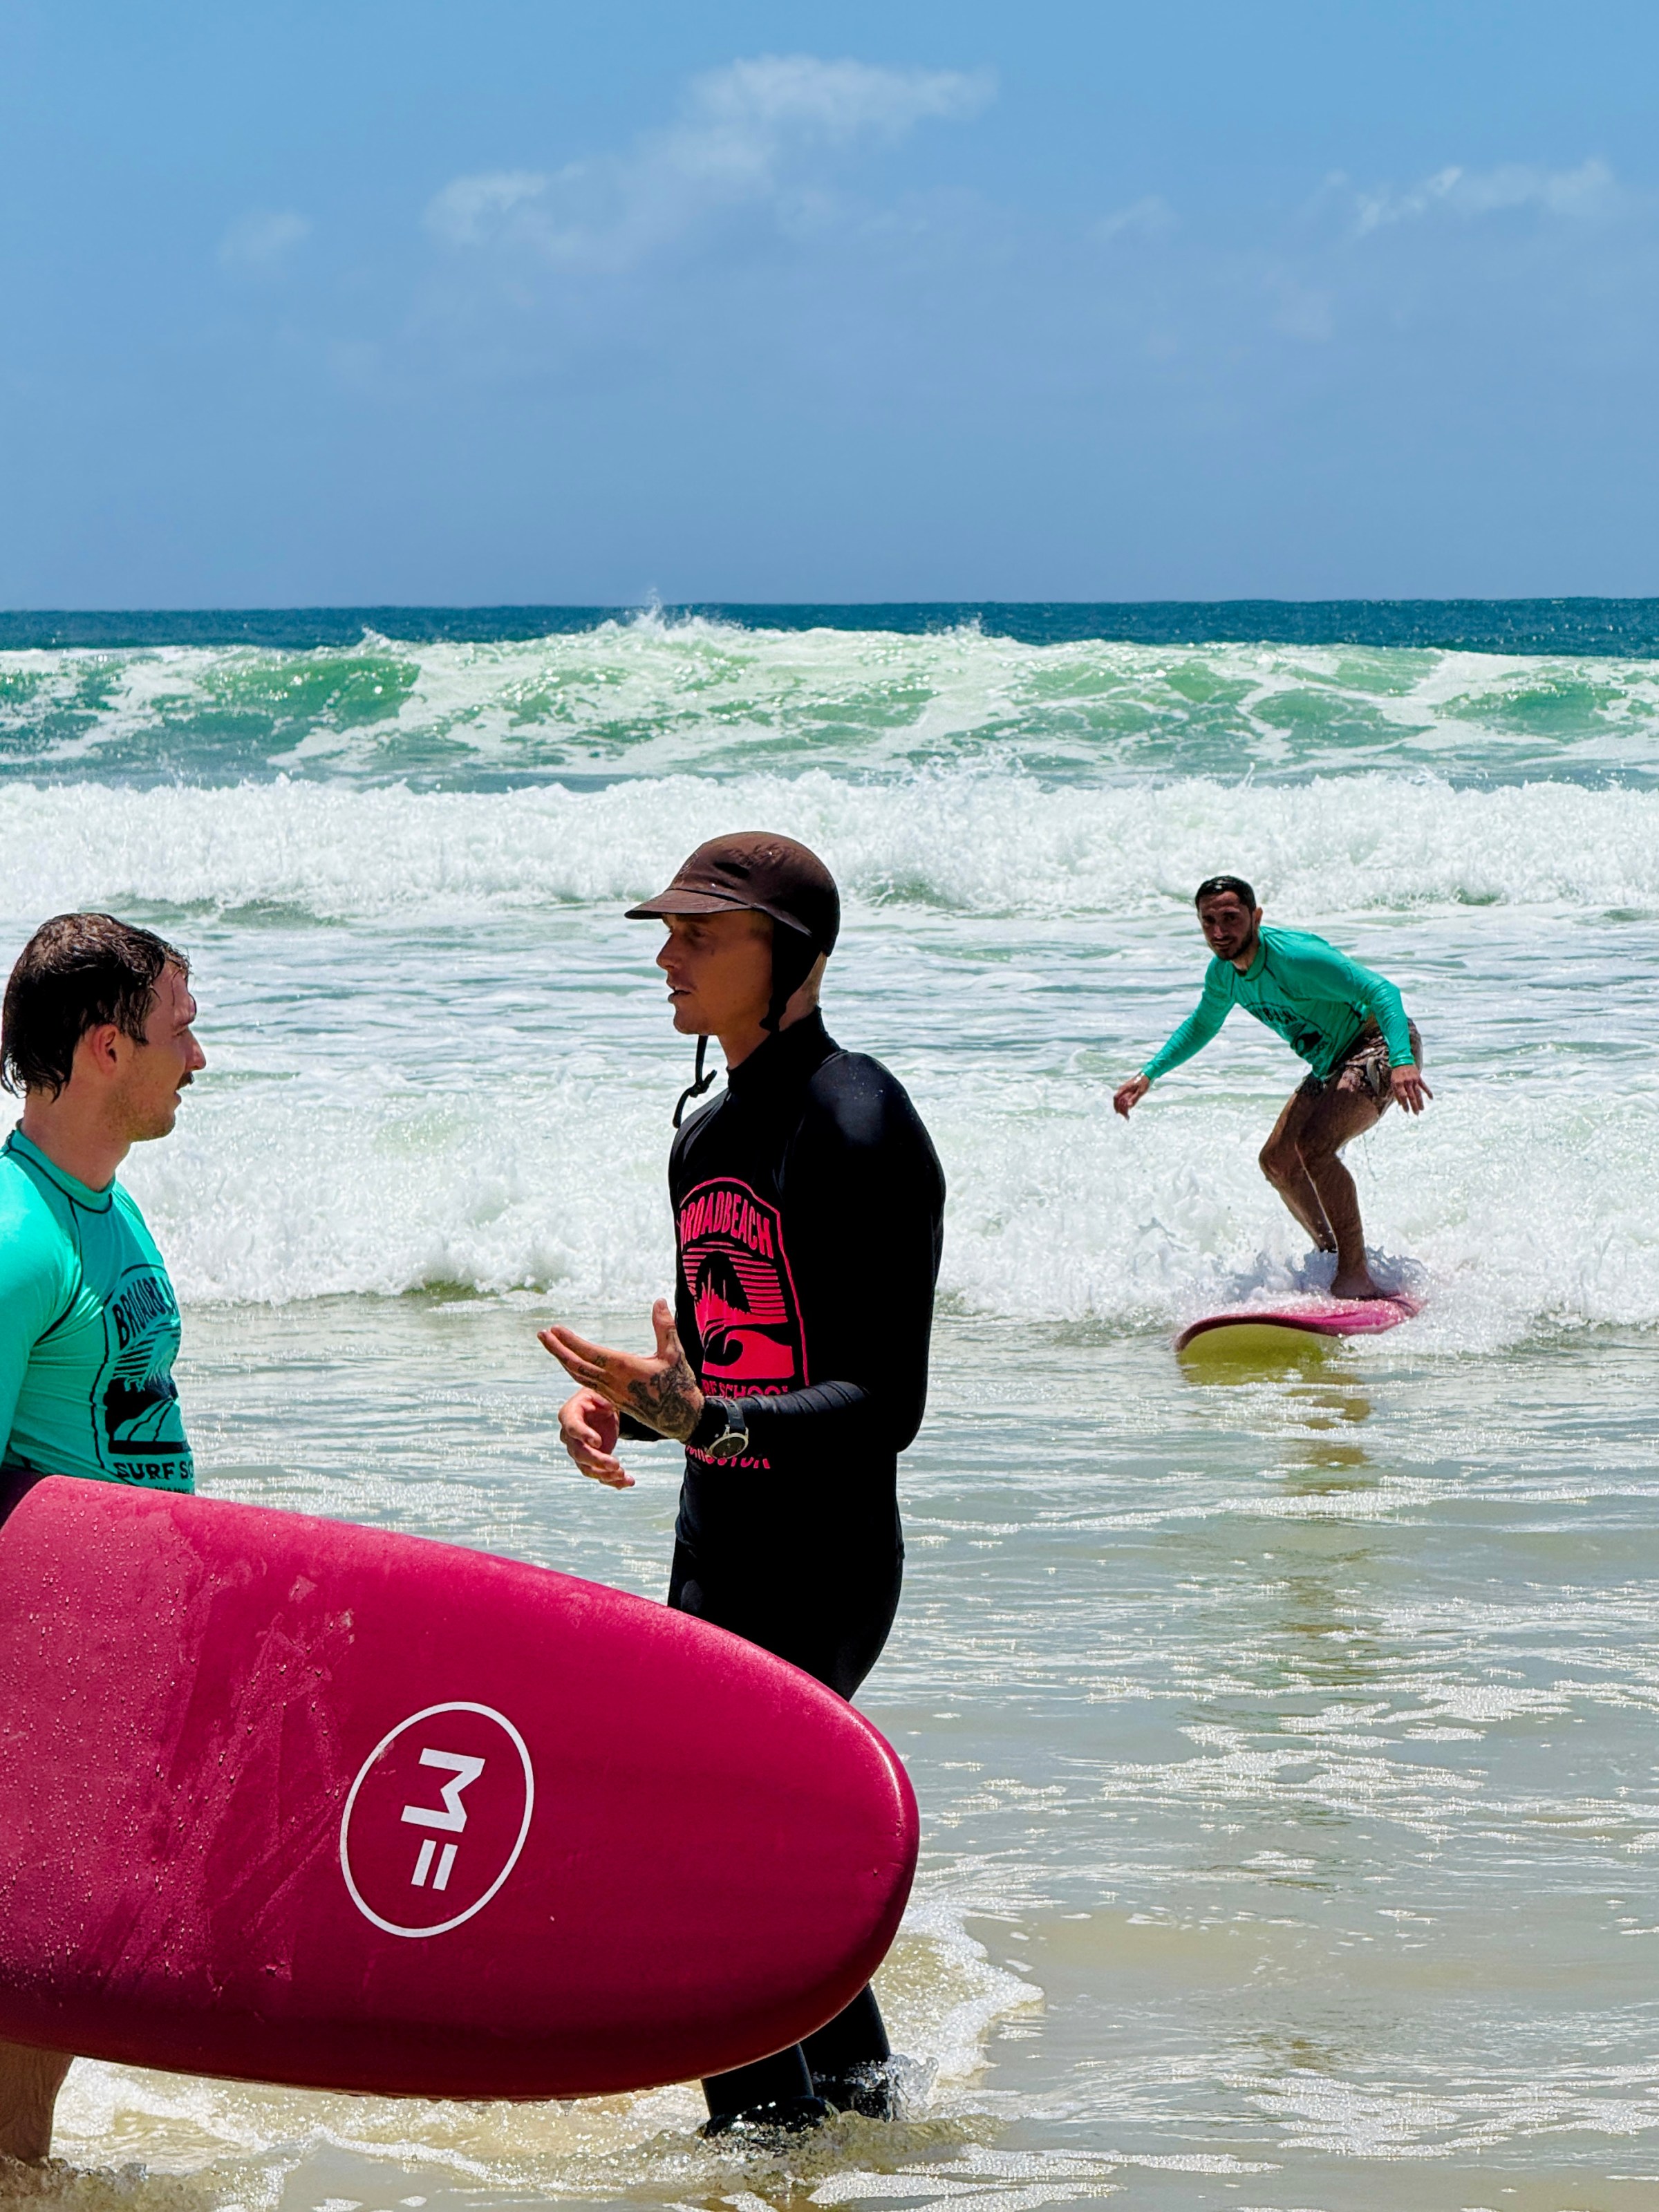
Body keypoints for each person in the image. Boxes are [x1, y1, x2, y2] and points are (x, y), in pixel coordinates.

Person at [539, 832, 945, 2137]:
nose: (668, 956)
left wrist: (702, 1413)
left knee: (703, 1880)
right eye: (670, 932)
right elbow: (730, 1376)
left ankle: (764, 2146)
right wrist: (639, 1411)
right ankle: (865, 2128)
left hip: (823, 1567)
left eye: (701, 936)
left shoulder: (861, 1120)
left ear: (797, 963)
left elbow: (885, 1405)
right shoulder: (703, 1140)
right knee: (770, 1880)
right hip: (714, 1557)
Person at [0, 912, 205, 2164]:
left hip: (119, 1638)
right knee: (40, 1935)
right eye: (179, 1029)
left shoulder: (101, 1208)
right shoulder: (17, 1237)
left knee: (64, 1943)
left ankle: (20, 2161)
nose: (200, 1056)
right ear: (104, 1049)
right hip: (50, 1653)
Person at [1114, 876, 1430, 1299]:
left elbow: (1381, 990)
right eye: (1209, 921)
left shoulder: (1295, 958)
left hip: (1382, 1044)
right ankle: (1332, 1254)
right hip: (1333, 1059)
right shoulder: (1224, 975)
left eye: (1231, 918)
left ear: (1255, 917)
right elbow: (1203, 1024)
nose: (1220, 932)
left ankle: (1356, 1275)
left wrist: (1404, 1063)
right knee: (1278, 1160)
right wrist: (1148, 1075)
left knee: (1316, 1146)